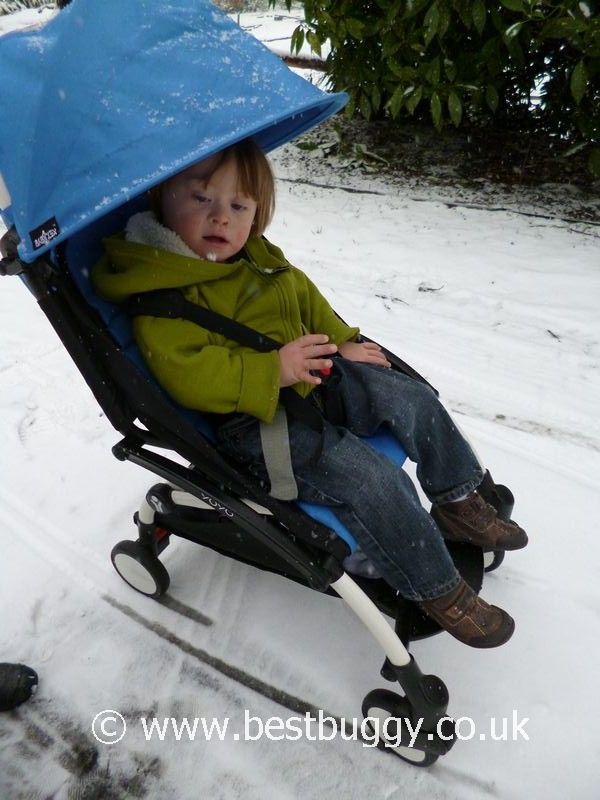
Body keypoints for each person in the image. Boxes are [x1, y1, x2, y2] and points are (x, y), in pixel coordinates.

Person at [92, 138, 528, 648]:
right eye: (200, 200)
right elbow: (188, 376)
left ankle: (458, 499)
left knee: (411, 398)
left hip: (310, 378)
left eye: (239, 206)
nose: (222, 218)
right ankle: (438, 590)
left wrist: (342, 339)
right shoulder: (162, 296)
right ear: (161, 201)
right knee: (372, 482)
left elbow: (299, 292)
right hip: (258, 424)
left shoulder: (255, 255)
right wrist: (270, 370)